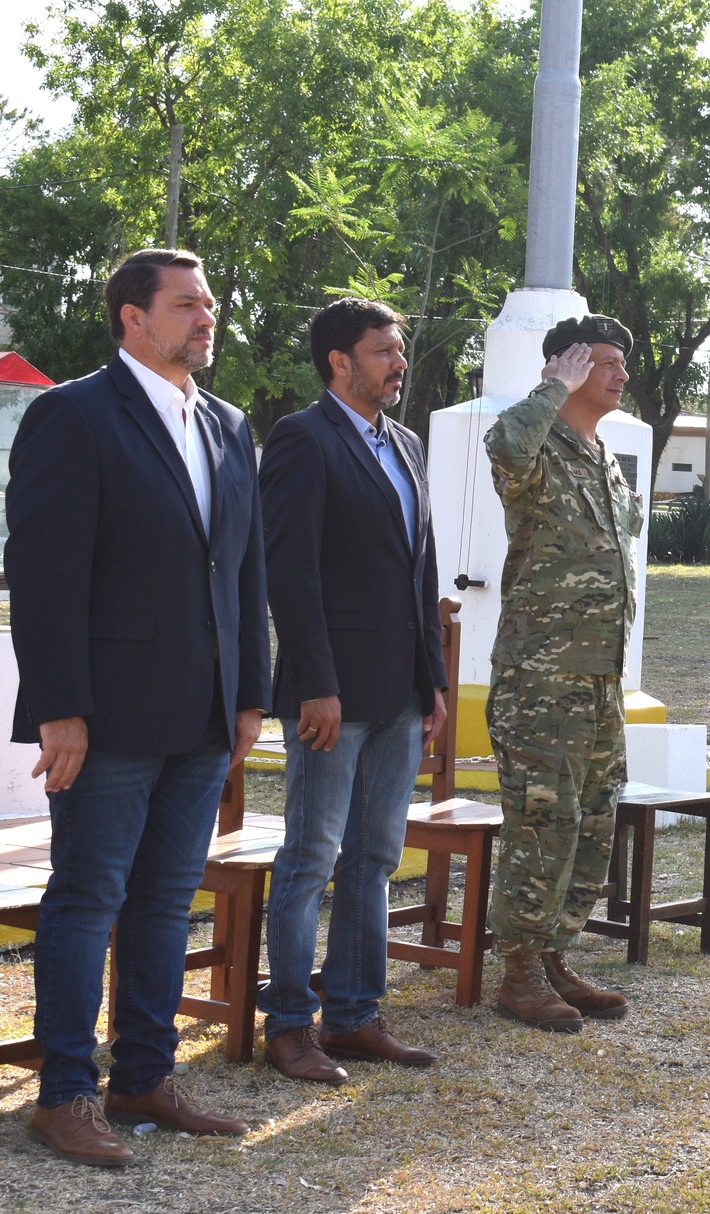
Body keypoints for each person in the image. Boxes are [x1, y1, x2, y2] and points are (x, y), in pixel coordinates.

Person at [5, 248, 269, 1166]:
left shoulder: (228, 425)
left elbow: (243, 569)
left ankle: (145, 1078)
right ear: (132, 317)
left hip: (204, 711)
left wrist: (250, 694)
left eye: (209, 303)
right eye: (187, 304)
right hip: (107, 715)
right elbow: (42, 576)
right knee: (88, 898)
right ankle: (64, 1094)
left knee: (163, 901)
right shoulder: (73, 414)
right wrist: (60, 708)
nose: (206, 317)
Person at [256, 298, 447, 1083]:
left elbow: (422, 570)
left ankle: (355, 1015)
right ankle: (289, 1025)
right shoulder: (302, 438)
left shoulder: (406, 443)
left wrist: (434, 681)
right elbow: (289, 570)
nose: (398, 363)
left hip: (400, 692)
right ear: (339, 361)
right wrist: (315, 682)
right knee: (311, 856)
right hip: (331, 696)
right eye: (382, 351)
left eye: (399, 350)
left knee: (374, 858)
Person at [480, 316, 643, 1031]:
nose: (620, 374)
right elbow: (503, 443)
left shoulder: (603, 456)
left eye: (622, 363)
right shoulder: (536, 444)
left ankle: (553, 955)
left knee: (594, 821)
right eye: (604, 361)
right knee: (543, 821)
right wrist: (551, 389)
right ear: (567, 366)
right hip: (541, 680)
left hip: (600, 675)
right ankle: (517, 972)